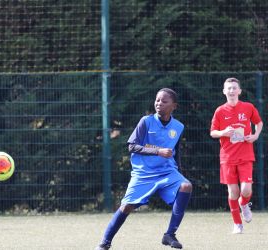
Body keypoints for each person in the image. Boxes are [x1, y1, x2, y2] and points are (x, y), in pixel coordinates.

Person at [96, 88, 192, 250]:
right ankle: (105, 243)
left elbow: (176, 152)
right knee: (126, 206)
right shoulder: (146, 121)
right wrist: (158, 151)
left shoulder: (178, 126)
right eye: (157, 100)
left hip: (167, 171)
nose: (159, 103)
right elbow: (132, 146)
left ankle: (170, 234)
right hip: (144, 173)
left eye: (164, 101)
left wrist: (179, 174)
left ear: (174, 106)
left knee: (186, 186)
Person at [210, 77, 263, 234]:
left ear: (239, 91)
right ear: (224, 91)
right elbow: (213, 132)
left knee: (246, 190)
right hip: (227, 157)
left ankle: (244, 204)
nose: (232, 91)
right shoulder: (220, 111)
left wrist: (255, 135)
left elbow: (259, 123)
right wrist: (223, 132)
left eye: (234, 88)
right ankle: (237, 224)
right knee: (233, 192)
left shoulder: (248, 107)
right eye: (229, 88)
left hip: (246, 155)